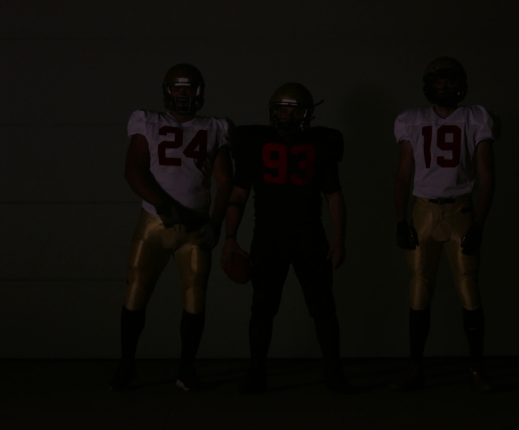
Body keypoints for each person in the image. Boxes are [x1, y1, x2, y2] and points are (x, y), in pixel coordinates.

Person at [220, 82, 350, 395]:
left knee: (323, 308)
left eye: (295, 110)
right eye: (283, 110)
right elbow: (238, 194)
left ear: (308, 113)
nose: (288, 116)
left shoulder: (319, 143)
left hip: (309, 235)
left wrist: (339, 238)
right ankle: (256, 372)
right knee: (262, 309)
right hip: (270, 235)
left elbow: (333, 194)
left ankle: (333, 373)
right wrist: (230, 237)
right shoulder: (256, 142)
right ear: (273, 111)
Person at [110, 63, 233, 391]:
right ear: (167, 90)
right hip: (154, 221)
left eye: (188, 88)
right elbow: (133, 170)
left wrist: (216, 223)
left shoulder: (215, 127)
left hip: (195, 227)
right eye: (177, 87)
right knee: (136, 291)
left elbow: (225, 181)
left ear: (199, 91)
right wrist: (163, 206)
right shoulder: (147, 121)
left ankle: (186, 370)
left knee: (195, 298)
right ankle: (126, 364)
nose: (182, 93)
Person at [393, 57, 499, 392]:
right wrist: (400, 219)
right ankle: (415, 365)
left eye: (449, 81)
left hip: (460, 211)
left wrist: (479, 223)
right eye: (438, 81)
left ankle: (477, 366)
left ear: (461, 85)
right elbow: (403, 174)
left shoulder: (475, 117)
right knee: (418, 289)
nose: (444, 87)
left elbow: (487, 177)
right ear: (429, 85)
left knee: (469, 290)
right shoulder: (412, 120)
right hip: (423, 211)